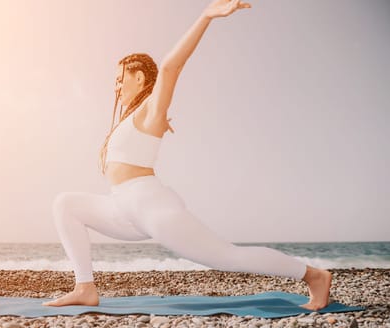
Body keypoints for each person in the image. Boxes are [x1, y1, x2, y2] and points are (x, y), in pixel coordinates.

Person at [43, 0, 332, 311]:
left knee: (226, 256)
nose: (115, 84)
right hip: (121, 207)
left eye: (120, 76)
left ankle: (314, 276)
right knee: (66, 203)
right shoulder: (129, 119)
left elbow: (170, 67)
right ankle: (85, 287)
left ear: (139, 77)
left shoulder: (150, 109)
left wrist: (206, 16)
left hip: (151, 207)